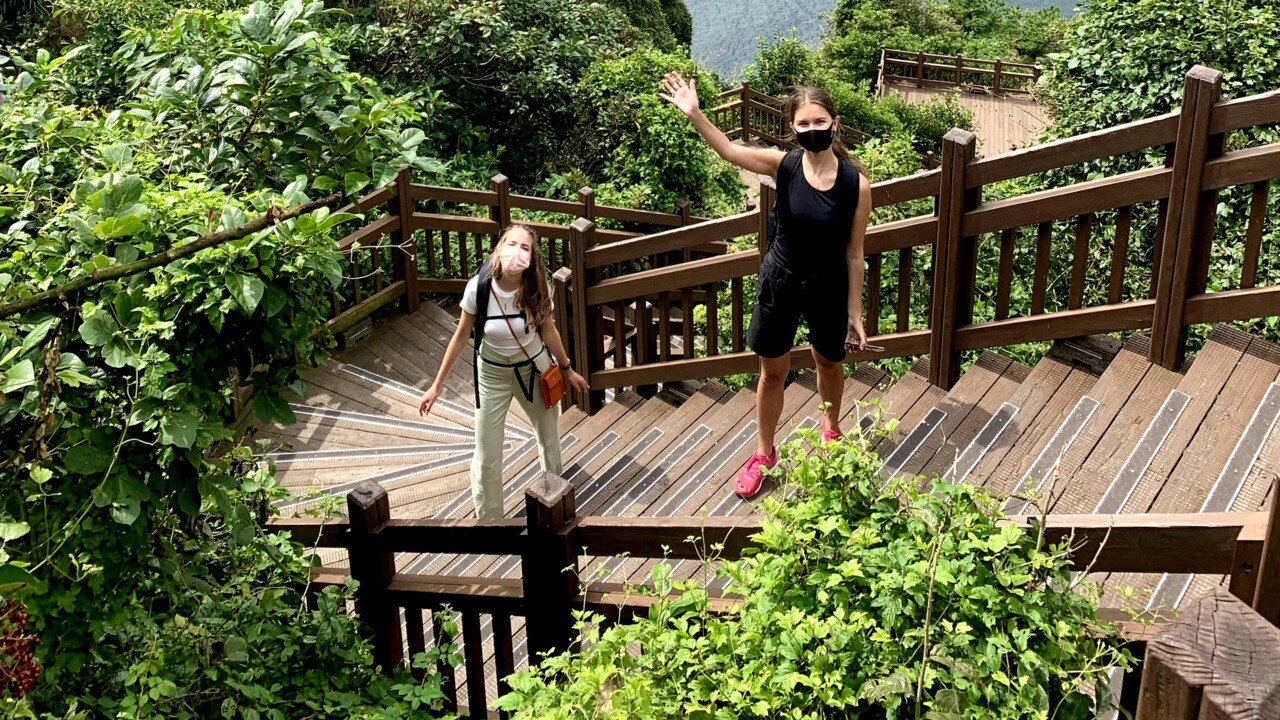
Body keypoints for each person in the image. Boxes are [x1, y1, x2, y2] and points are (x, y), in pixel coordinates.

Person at [661, 72, 872, 500]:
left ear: (835, 122)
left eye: (819, 122)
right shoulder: (785, 166)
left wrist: (855, 312)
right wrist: (695, 114)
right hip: (782, 279)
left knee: (829, 363)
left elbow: (854, 254)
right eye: (803, 125)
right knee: (772, 372)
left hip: (829, 284)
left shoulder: (856, 185)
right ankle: (764, 453)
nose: (812, 131)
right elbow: (730, 151)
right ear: (792, 128)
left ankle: (831, 431)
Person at [417, 224, 590, 519]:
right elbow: (461, 336)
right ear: (499, 248)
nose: (517, 253)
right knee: (487, 453)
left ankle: (554, 503)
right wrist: (436, 386)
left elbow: (548, 330)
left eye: (525, 248)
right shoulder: (479, 287)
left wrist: (567, 369)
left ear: (532, 256)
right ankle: (490, 521)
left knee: (549, 437)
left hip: (534, 368)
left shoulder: (537, 286)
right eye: (511, 244)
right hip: (492, 373)